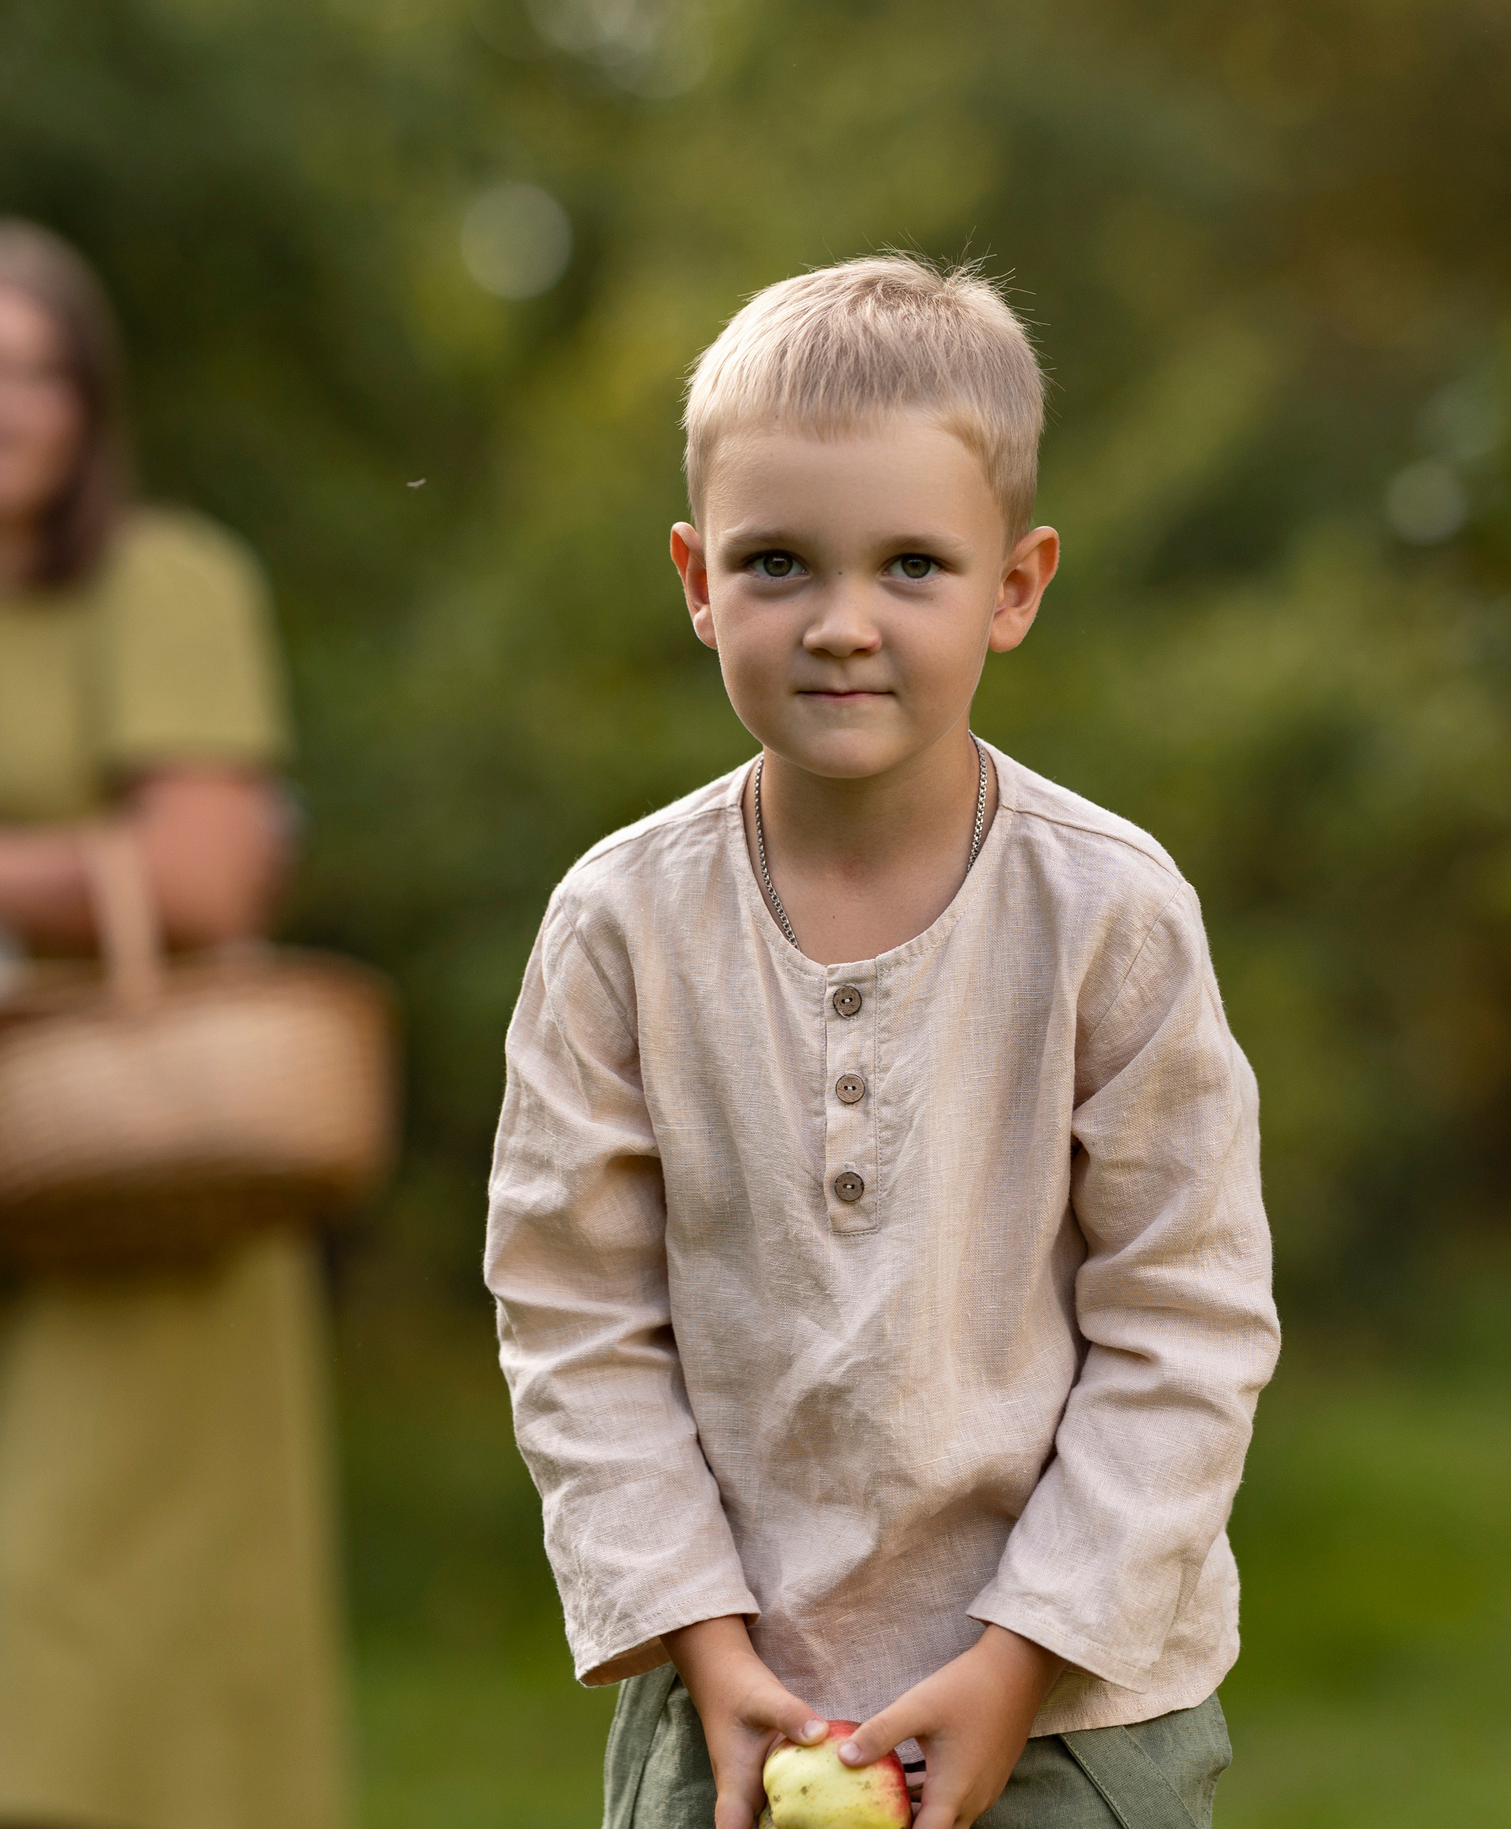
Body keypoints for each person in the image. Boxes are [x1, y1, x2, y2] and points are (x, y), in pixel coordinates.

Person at [484, 255, 1279, 1829]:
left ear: (1016, 585)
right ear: (697, 578)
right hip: (736, 1708)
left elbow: (1186, 1318)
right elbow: (574, 1317)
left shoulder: (1108, 913)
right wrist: (705, 1641)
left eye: (913, 564)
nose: (842, 624)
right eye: (778, 562)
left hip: (1070, 1715)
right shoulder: (618, 926)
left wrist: (1022, 1656)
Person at [0, 221, 348, 1829]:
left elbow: (205, 872)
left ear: (89, 409)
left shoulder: (166, 577)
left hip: (135, 1172)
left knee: (41, 1648)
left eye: (36, 371)